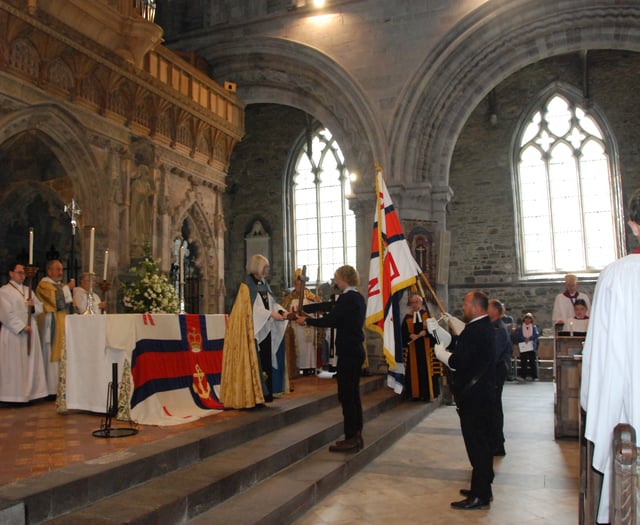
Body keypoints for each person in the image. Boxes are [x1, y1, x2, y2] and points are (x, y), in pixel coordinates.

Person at [580, 188, 640, 524]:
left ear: (633, 225)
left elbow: (599, 352)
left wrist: (593, 402)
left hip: (629, 414)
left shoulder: (617, 275)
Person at [432, 291, 496, 509]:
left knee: (477, 445)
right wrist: (442, 334)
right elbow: (462, 344)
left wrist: (442, 354)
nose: (463, 307)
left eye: (466, 304)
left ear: (476, 307)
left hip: (475, 397)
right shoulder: (480, 327)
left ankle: (479, 495)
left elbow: (459, 361)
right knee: (481, 444)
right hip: (481, 395)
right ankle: (482, 487)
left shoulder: (478, 330)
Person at [296, 265, 365, 453]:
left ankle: (352, 437)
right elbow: (337, 317)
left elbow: (332, 320)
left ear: (344, 278)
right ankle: (355, 435)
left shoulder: (348, 298)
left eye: (336, 277)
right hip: (354, 351)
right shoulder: (357, 297)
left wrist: (307, 321)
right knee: (352, 395)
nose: (335, 281)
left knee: (348, 396)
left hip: (349, 353)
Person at [220, 254, 288, 408]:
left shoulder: (264, 284)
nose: (267, 270)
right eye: (265, 267)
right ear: (257, 267)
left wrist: (281, 312)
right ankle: (254, 395)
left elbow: (271, 303)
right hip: (253, 331)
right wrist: (270, 314)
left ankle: (265, 394)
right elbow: (251, 309)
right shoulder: (246, 286)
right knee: (256, 361)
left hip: (265, 328)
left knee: (265, 360)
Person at [0, 262, 48, 403]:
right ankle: (13, 396)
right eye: (19, 272)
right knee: (15, 364)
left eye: (23, 273)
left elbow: (40, 308)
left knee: (30, 363)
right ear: (11, 273)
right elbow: (5, 313)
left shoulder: (29, 290)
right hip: (14, 333)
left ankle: (31, 393)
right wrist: (21, 326)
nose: (22, 275)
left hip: (30, 330)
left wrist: (33, 307)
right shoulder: (4, 291)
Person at [36, 259, 74, 396]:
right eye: (57, 269)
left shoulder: (60, 285)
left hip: (62, 323)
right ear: (49, 271)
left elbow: (70, 304)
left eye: (61, 270)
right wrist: (66, 288)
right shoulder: (44, 285)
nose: (60, 273)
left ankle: (62, 387)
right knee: (52, 355)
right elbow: (58, 303)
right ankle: (51, 389)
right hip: (51, 326)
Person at [401, 294, 446, 401]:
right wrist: (409, 335)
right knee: (413, 372)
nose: (414, 305)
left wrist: (426, 332)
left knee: (426, 372)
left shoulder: (428, 315)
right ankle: (415, 395)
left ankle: (427, 394)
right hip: (413, 349)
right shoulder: (408, 317)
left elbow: (435, 331)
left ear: (421, 303)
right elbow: (403, 332)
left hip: (426, 349)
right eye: (412, 302)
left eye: (416, 302)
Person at [282, 268, 320, 376]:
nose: (297, 287)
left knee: (308, 347)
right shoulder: (289, 297)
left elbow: (317, 309)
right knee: (297, 347)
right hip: (295, 327)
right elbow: (284, 310)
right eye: (296, 284)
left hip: (308, 326)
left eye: (299, 284)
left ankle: (310, 367)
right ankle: (297, 367)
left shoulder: (310, 296)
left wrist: (308, 314)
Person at [488, 299, 511, 456]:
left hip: (496, 370)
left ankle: (498, 444)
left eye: (488, 307)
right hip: (494, 369)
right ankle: (495, 441)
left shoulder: (498, 329)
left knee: (495, 407)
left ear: (496, 311)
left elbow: (494, 354)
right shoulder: (492, 326)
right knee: (492, 407)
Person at [515, 312, 539, 381]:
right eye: (526, 319)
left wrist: (529, 338)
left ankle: (534, 376)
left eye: (529, 319)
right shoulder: (520, 328)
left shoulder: (534, 327)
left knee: (532, 361)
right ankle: (523, 376)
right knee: (523, 361)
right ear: (524, 319)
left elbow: (536, 335)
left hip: (531, 346)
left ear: (531, 320)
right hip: (523, 346)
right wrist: (524, 339)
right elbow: (518, 336)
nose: (527, 320)